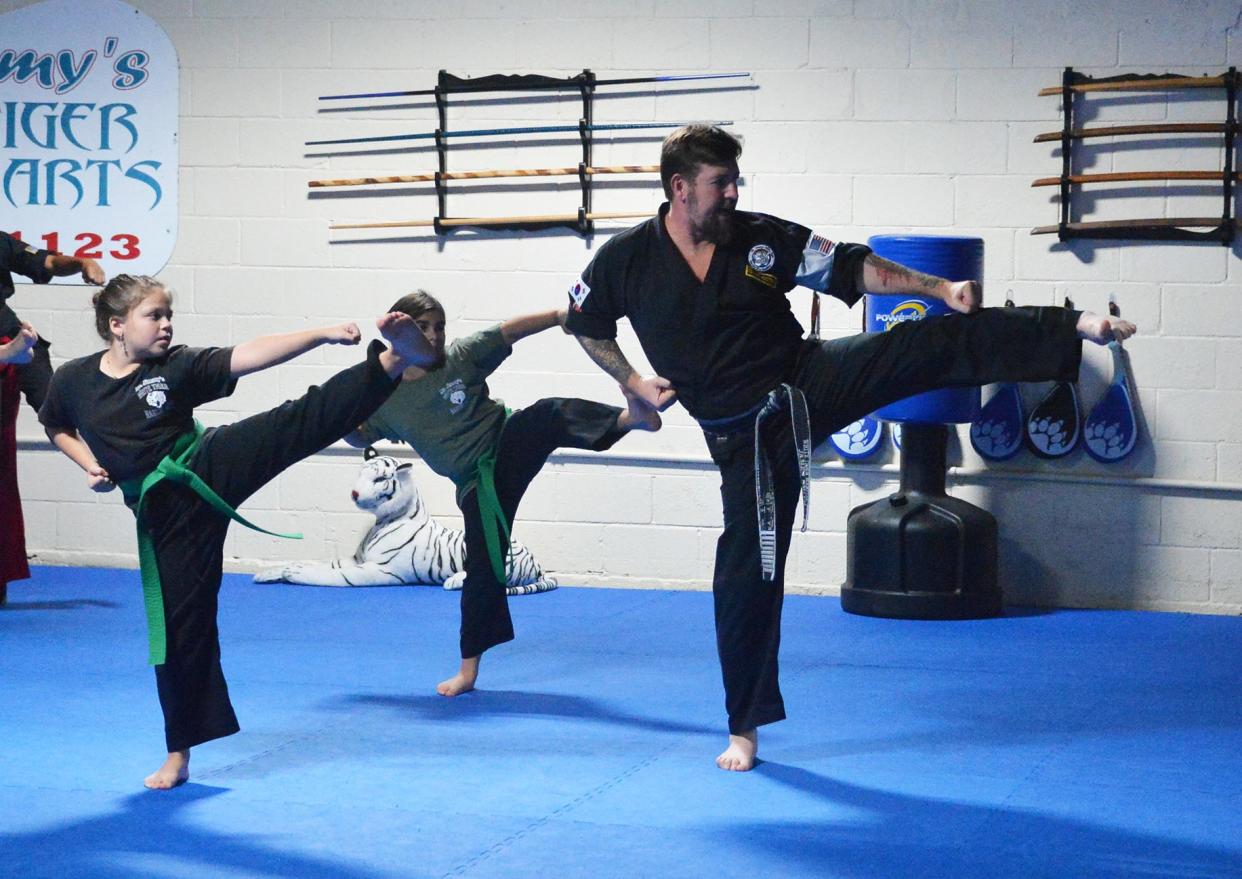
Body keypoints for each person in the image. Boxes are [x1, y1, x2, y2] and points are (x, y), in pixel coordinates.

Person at [563, 124, 1137, 772]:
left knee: (928, 346)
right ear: (679, 189)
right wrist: (631, 380)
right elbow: (583, 321)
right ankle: (744, 727)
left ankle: (1071, 328)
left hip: (807, 382)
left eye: (735, 181)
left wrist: (936, 289)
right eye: (719, 183)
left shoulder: (759, 237)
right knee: (746, 576)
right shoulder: (627, 260)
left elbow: (852, 265)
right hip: (744, 441)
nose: (732, 193)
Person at [38, 274, 432, 789]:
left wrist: (321, 334)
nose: (166, 325)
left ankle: (392, 361)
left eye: (168, 315)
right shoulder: (74, 380)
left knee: (295, 422)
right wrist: (90, 464)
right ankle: (178, 756)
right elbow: (56, 424)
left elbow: (248, 354)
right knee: (179, 634)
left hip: (205, 464)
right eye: (153, 316)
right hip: (165, 514)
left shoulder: (174, 366)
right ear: (116, 326)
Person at [344, 290, 661, 698]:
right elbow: (358, 435)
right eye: (423, 328)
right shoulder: (384, 397)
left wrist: (558, 315)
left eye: (439, 326)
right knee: (484, 566)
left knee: (547, 413)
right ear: (400, 333)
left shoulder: (459, 358)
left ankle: (629, 418)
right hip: (476, 482)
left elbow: (508, 332)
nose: (435, 336)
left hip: (507, 441)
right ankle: (467, 671)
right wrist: (337, 418)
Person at [1, 231, 105, 605]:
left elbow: (45, 262)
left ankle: (96, 465)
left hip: (13, 340)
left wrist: (81, 263)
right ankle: (8, 354)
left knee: (56, 412)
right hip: (10, 350)